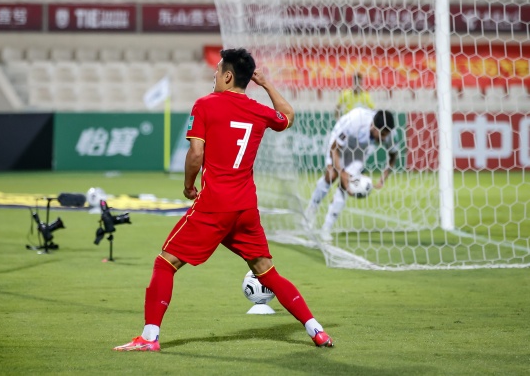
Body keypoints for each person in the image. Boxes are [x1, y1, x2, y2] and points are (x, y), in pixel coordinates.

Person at [113, 48, 333, 352]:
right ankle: (317, 330)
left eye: (217, 71)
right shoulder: (258, 110)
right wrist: (267, 84)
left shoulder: (205, 104)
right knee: (267, 272)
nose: (213, 75)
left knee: (165, 263)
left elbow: (196, 154)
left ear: (228, 76)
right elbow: (288, 117)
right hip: (244, 208)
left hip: (214, 204)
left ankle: (149, 337)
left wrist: (189, 186)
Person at [304, 107, 398, 242]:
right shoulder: (355, 122)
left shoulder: (390, 134)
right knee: (332, 175)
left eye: (386, 135)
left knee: (345, 185)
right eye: (382, 134)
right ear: (373, 126)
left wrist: (383, 178)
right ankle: (311, 211)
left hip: (360, 151)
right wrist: (341, 172)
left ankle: (326, 228)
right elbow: (335, 148)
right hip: (340, 143)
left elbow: (393, 155)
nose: (384, 138)